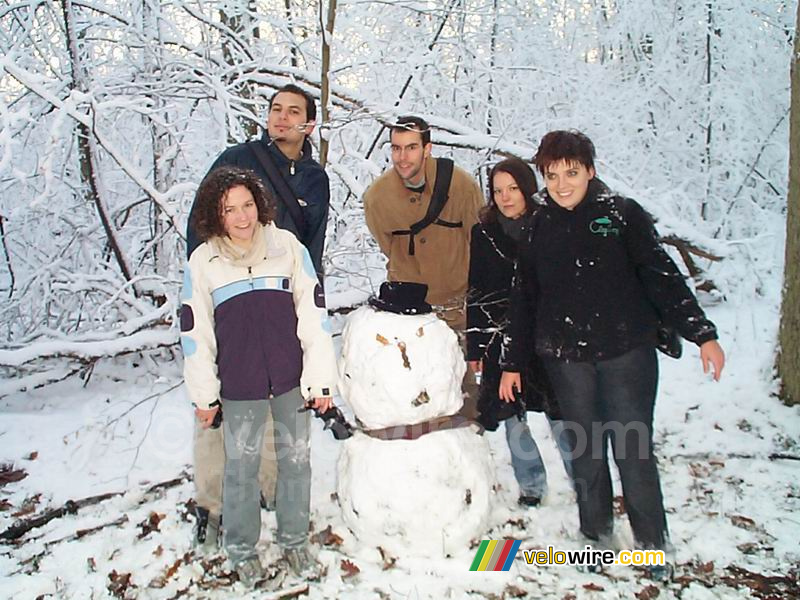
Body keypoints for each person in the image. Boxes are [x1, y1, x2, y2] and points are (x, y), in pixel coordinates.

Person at [499, 130, 725, 579]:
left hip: (627, 353)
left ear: (591, 171)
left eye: (572, 173)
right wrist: (511, 362)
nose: (562, 185)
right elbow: (524, 298)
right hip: (566, 357)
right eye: (552, 175)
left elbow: (662, 276)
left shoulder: (622, 215)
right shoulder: (538, 226)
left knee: (632, 449)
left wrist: (703, 334)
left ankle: (652, 545)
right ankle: (596, 538)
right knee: (585, 450)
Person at [186, 83, 330, 549]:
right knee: (219, 422)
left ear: (309, 123)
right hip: (231, 307)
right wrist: (214, 297)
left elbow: (313, 248)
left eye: (294, 112)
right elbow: (200, 229)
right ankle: (211, 508)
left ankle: (269, 498)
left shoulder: (314, 178)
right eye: (275, 109)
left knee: (279, 427)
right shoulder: (238, 159)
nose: (282, 118)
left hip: (279, 306)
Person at [467, 157, 572, 507]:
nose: (506, 197)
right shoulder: (483, 233)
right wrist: (475, 346)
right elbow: (477, 288)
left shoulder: (550, 224)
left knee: (561, 416)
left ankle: (584, 479)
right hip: (501, 336)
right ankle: (531, 486)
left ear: (527, 188)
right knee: (513, 417)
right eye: (498, 191)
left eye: (513, 189)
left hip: (546, 337)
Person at [363, 115, 483, 416]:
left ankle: (469, 450)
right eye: (396, 148)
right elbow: (386, 244)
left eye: (411, 147)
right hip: (409, 310)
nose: (403, 157)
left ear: (427, 148)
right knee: (416, 391)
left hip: (456, 305)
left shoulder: (461, 185)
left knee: (465, 392)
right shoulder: (378, 197)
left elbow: (479, 239)